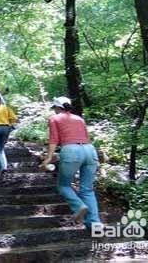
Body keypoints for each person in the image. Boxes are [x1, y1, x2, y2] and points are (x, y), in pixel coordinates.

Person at [40, 96, 101, 229]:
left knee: (64, 186)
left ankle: (79, 206)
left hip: (71, 151)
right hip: (90, 151)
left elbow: (54, 139)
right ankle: (95, 224)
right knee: (87, 190)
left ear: (57, 107)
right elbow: (85, 139)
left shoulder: (54, 118)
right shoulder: (79, 118)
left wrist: (48, 158)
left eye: (54, 108)